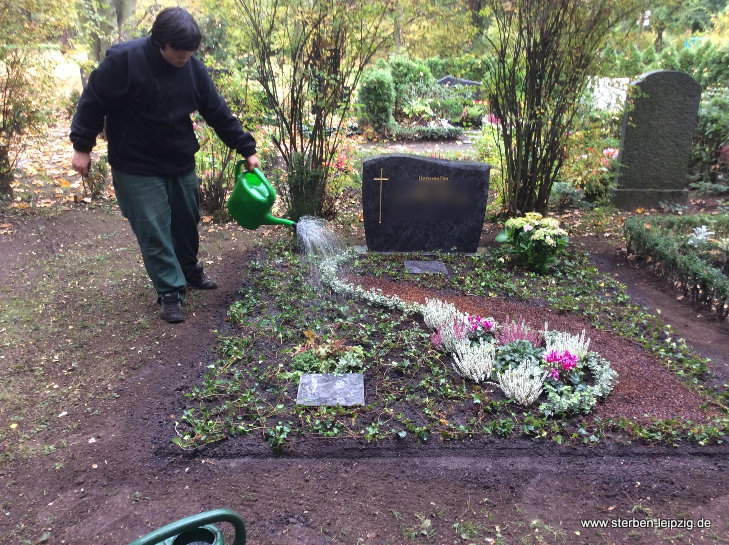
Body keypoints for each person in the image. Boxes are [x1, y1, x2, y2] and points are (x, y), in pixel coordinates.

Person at [70, 7, 260, 323]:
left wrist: (246, 148)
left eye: (190, 50)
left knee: (186, 221)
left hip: (179, 158)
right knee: (154, 228)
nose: (185, 56)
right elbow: (92, 101)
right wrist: (82, 146)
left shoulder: (192, 68)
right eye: (179, 50)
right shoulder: (124, 61)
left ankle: (188, 268)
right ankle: (170, 290)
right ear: (160, 41)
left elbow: (216, 110)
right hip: (135, 162)